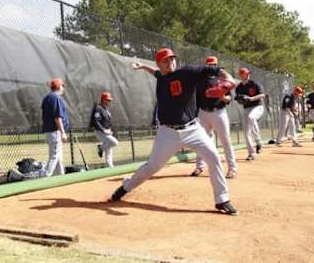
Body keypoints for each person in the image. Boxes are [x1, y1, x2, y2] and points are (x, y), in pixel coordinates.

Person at [109, 48, 238, 216]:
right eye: (165, 60)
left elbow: (215, 70)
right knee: (152, 167)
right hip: (167, 132)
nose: (170, 62)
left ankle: (222, 199)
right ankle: (125, 187)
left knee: (213, 157)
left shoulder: (188, 72)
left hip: (193, 129)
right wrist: (143, 67)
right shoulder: (161, 77)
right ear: (159, 64)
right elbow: (156, 73)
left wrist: (228, 81)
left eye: (172, 59)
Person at [191, 56, 238, 179]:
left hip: (219, 113)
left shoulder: (222, 78)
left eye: (213, 64)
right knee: (201, 141)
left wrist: (221, 96)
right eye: (209, 64)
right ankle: (200, 166)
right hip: (203, 113)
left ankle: (232, 168)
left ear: (217, 65)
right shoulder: (199, 80)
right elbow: (194, 99)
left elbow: (229, 99)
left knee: (225, 141)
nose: (211, 66)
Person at [235, 67, 265, 161]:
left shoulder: (254, 84)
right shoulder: (239, 87)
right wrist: (241, 101)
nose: (247, 75)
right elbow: (238, 99)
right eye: (244, 74)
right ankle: (251, 153)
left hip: (258, 106)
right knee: (246, 132)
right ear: (241, 75)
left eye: (247, 73)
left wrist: (251, 98)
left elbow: (263, 95)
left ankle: (259, 141)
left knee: (251, 117)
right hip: (246, 109)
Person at [41, 78, 69, 176]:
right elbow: (57, 118)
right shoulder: (55, 98)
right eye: (62, 86)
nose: (63, 88)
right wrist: (63, 132)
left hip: (49, 131)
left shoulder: (47, 98)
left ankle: (60, 176)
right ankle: (44, 176)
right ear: (58, 87)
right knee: (54, 156)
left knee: (58, 157)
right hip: (55, 131)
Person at [91, 92, 118, 167]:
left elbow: (107, 121)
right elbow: (96, 121)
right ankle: (100, 147)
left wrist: (109, 130)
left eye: (110, 100)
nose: (109, 101)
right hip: (100, 132)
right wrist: (103, 130)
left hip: (107, 131)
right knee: (115, 143)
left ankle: (110, 166)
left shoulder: (106, 109)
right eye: (108, 100)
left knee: (109, 149)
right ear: (103, 100)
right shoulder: (98, 108)